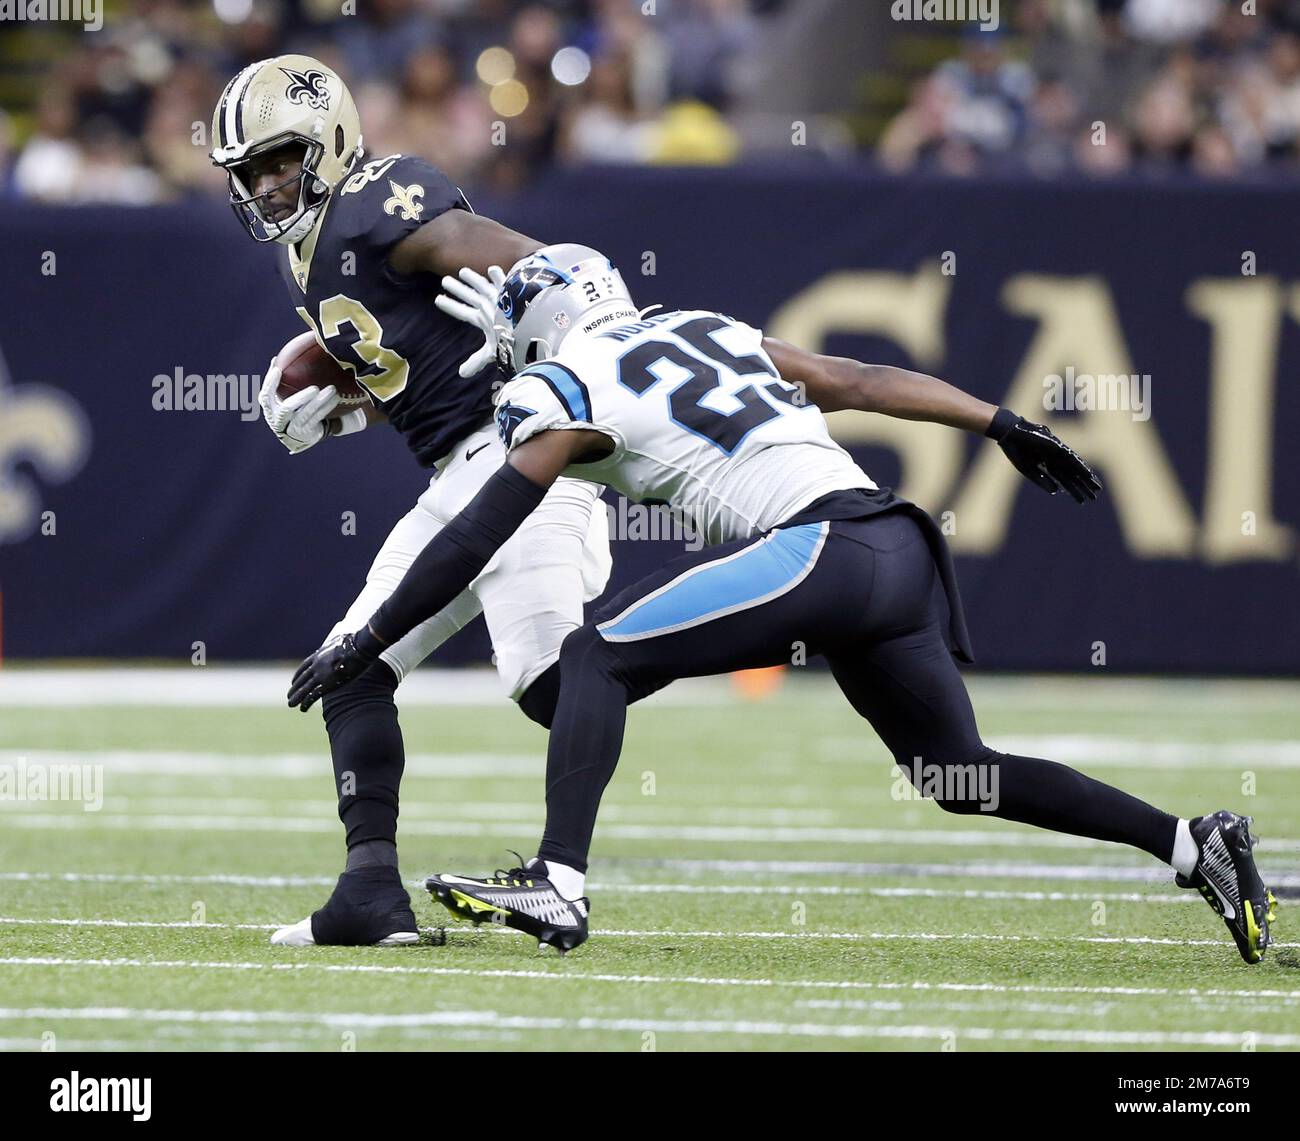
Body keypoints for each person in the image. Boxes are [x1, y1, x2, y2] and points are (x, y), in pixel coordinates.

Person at [287, 245, 1275, 965]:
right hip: (896, 544)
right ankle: (1192, 842)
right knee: (954, 772)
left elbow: (478, 529)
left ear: (532, 336)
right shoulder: (705, 328)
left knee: (594, 657)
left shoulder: (562, 379)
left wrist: (369, 638)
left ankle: (559, 883)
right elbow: (862, 379)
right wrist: (1000, 420)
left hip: (821, 550)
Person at [209, 55, 611, 946]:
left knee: (554, 685)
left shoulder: (380, 197)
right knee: (347, 671)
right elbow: (411, 367)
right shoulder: (304, 256)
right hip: (455, 473)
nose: (268, 185)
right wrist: (335, 410)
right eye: (250, 172)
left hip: (524, 459)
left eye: (280, 160)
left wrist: (568, 345)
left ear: (330, 140)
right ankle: (368, 892)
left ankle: (562, 874)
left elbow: (545, 273)